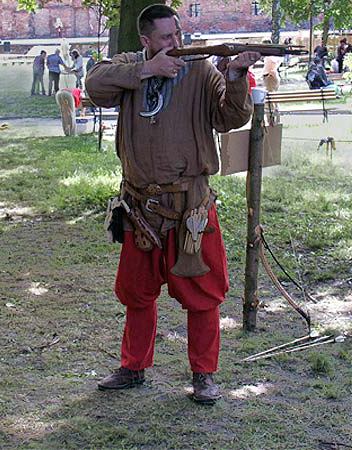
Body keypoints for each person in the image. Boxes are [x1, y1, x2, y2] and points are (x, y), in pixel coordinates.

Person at [85, 4, 260, 404]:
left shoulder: (199, 70)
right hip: (140, 209)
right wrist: (146, 71)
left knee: (204, 294)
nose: (176, 44)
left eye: (178, 35)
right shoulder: (130, 64)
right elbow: (94, 85)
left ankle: (204, 375)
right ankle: (133, 367)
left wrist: (235, 75)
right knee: (136, 293)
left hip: (191, 209)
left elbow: (230, 116)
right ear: (146, 42)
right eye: (166, 38)